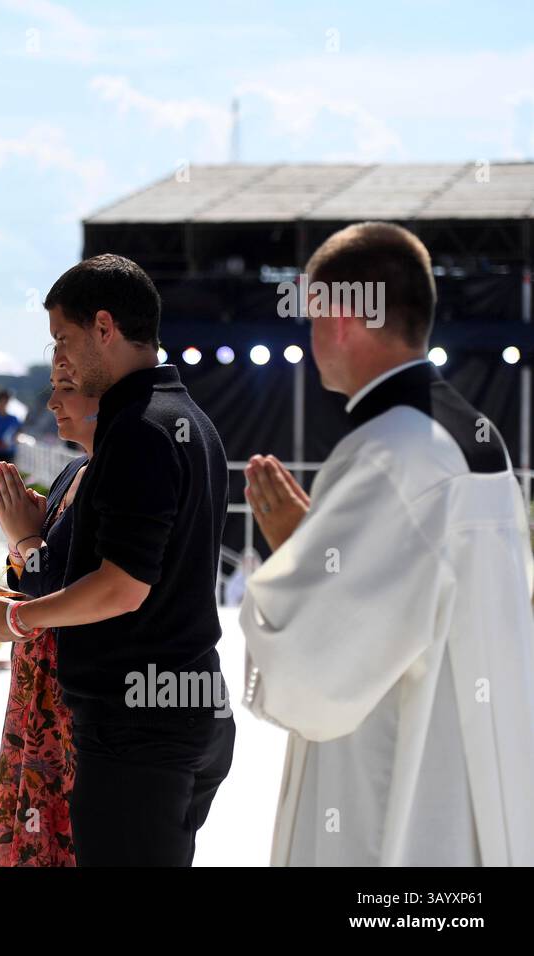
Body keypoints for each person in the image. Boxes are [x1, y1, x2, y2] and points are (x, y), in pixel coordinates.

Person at [239, 221, 534, 865]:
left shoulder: (386, 453)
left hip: (398, 803)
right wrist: (319, 553)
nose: (311, 338)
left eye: (314, 316)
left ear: (343, 318)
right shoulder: (479, 438)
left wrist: (295, 557)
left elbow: (320, 675)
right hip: (474, 785)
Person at [0, 254, 233, 867]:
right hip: (178, 711)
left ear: (105, 328)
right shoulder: (188, 419)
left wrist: (14, 619)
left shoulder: (138, 428)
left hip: (139, 730)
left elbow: (123, 588)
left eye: (64, 337)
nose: (59, 357)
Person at [0, 365, 95, 866]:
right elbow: (32, 578)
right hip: (34, 681)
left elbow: (64, 587)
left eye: (67, 391)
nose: (53, 403)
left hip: (68, 690)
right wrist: (21, 540)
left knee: (61, 825)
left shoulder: (110, 476)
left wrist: (26, 538)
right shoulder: (72, 471)